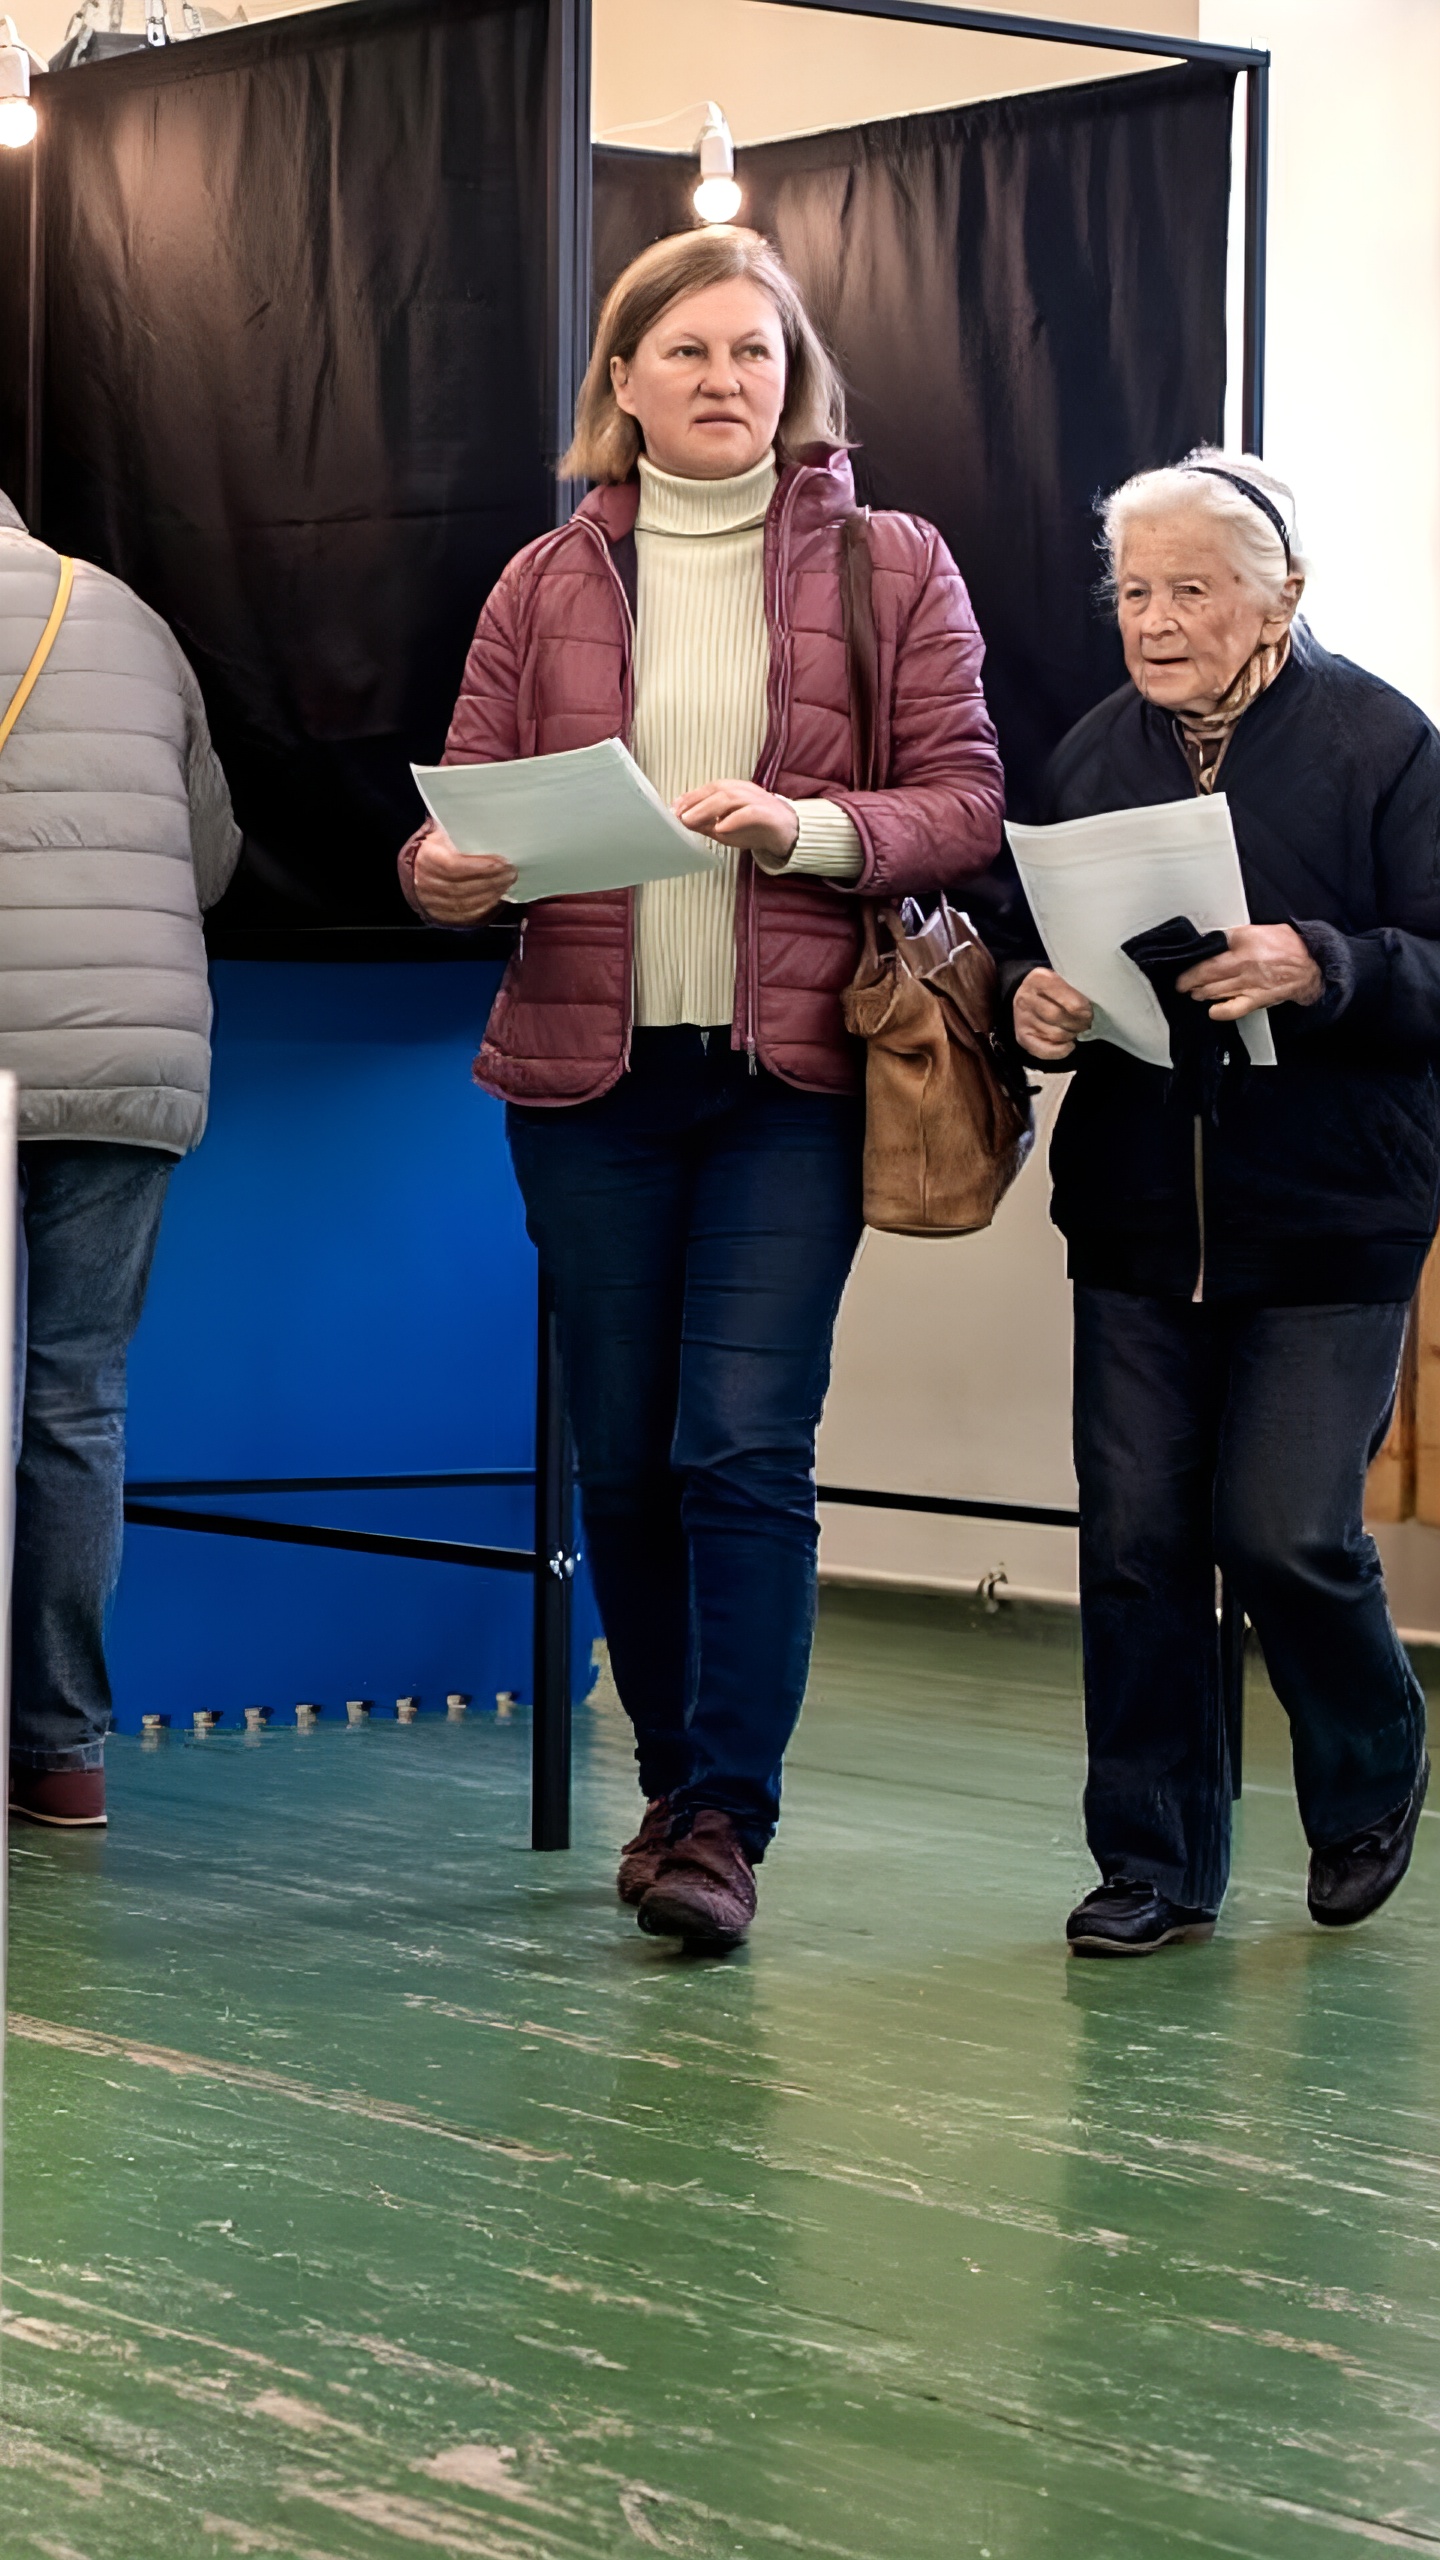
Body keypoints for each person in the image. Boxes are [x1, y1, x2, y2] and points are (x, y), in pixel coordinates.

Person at [401, 227, 1004, 1948]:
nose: (725, 381)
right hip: (585, 1076)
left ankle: (727, 1819)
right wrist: (446, 873)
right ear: (624, 383)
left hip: (790, 1078)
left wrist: (807, 827)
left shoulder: (896, 560)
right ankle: (674, 1784)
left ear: (792, 377)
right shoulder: (543, 579)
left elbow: (965, 801)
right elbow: (472, 815)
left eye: (754, 352)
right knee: (628, 1460)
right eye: (688, 354)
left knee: (741, 1441)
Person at [1004, 448, 1437, 1955]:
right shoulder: (1087, 757)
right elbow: (1021, 942)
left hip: (1331, 1216)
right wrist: (1031, 1003)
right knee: (1133, 1546)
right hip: (1132, 1214)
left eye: (1193, 587)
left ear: (1283, 598)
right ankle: (1154, 1862)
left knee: (1282, 1531)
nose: (1156, 618)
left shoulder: (1387, 742)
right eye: (1133, 589)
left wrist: (1327, 961)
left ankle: (1375, 1759)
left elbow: (1436, 963)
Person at [0, 491, 241, 1829]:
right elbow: (209, 857)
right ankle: (61, 1753)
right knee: (74, 1400)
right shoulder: (130, 617)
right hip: (130, 1065)